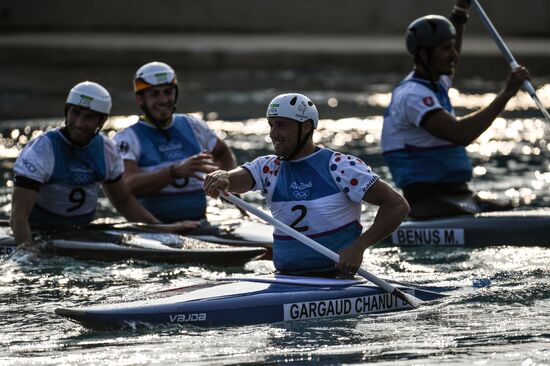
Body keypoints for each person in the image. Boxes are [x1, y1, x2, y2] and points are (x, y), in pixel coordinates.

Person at [204, 93, 409, 277]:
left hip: (335, 278)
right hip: (285, 278)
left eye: (282, 125)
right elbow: (236, 179)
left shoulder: (340, 167)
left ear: (306, 127)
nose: (273, 134)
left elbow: (397, 205)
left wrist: (359, 247)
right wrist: (223, 176)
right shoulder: (268, 168)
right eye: (271, 125)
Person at [381, 1, 531, 219]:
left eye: (452, 46)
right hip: (426, 201)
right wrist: (507, 93)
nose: (454, 55)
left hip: (458, 195)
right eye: (445, 48)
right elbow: (460, 135)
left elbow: (453, 51)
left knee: (512, 207)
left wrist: (461, 11)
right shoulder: (412, 95)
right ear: (424, 55)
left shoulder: (435, 81)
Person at [10, 81, 198, 247]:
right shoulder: (42, 150)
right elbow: (19, 215)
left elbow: (124, 201)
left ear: (101, 120)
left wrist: (163, 229)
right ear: (67, 111)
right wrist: (27, 252)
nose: (79, 123)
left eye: (89, 117)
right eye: (75, 113)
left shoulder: (107, 150)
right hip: (39, 231)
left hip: (82, 232)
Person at [114, 61, 237, 222]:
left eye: (168, 92)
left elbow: (222, 152)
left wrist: (229, 190)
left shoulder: (193, 125)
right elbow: (127, 188)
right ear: (140, 99)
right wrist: (174, 171)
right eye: (154, 94)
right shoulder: (126, 138)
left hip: (200, 224)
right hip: (154, 230)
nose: (164, 100)